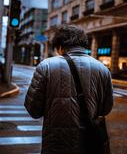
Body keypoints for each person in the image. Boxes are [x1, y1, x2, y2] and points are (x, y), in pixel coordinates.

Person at [24, 24, 113, 154]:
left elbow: (33, 110)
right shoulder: (103, 69)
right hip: (88, 143)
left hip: (55, 143)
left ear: (60, 47)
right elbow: (106, 108)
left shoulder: (46, 66)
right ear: (83, 44)